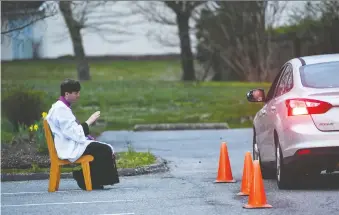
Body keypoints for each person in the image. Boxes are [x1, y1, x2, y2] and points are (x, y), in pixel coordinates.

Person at [45, 79, 119, 190]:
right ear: (67, 94)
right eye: (76, 93)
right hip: (68, 146)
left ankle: (91, 180)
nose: (78, 95)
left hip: (70, 142)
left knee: (101, 147)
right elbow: (73, 133)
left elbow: (71, 130)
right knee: (104, 150)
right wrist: (89, 121)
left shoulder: (61, 107)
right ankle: (82, 178)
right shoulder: (60, 109)